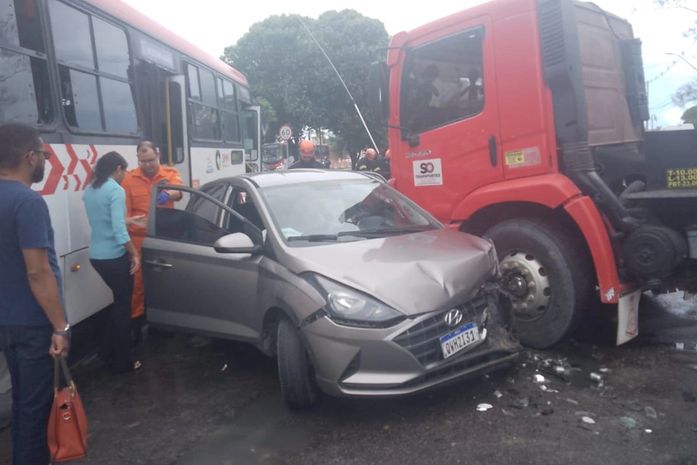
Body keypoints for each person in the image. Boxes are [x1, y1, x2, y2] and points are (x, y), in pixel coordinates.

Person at [0, 123, 70, 465]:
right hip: (33, 324)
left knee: (20, 401)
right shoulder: (27, 203)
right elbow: (38, 272)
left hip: (5, 320)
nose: (45, 160)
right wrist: (60, 326)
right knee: (36, 409)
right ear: (29, 157)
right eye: (43, 154)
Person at [83, 152, 141, 373]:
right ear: (118, 168)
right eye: (124, 171)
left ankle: (105, 351)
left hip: (96, 255)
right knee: (123, 308)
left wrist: (128, 219)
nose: (125, 176)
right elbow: (118, 231)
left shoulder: (90, 190)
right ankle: (123, 362)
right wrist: (134, 254)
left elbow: (104, 221)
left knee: (118, 304)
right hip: (115, 256)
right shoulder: (116, 190)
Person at [121, 141, 182, 338]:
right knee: (137, 286)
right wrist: (132, 230)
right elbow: (125, 214)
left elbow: (179, 192)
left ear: (158, 155)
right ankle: (136, 329)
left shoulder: (169, 174)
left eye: (150, 160)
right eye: (142, 160)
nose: (147, 164)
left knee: (165, 281)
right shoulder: (129, 179)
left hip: (163, 238)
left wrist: (167, 194)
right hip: (139, 240)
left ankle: (164, 325)